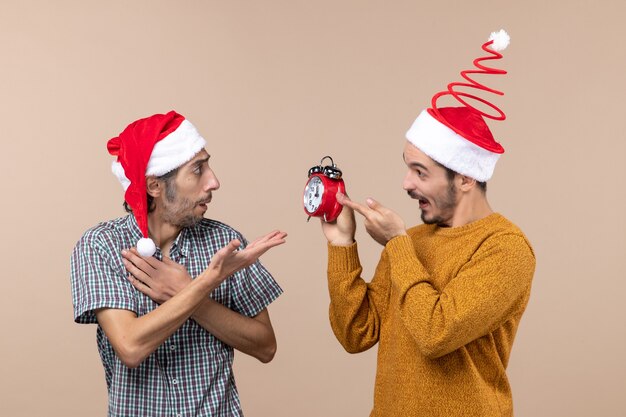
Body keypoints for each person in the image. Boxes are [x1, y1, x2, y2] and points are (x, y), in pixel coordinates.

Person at [319, 30, 535, 416]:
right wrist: (342, 246)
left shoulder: (506, 247)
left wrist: (397, 244)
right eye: (407, 169)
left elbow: (437, 332)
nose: (406, 184)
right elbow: (356, 334)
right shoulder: (412, 240)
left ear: (465, 178)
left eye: (420, 172)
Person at [70, 110, 286, 417]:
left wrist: (187, 290)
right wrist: (207, 282)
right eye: (197, 170)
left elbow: (266, 346)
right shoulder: (101, 246)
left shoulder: (225, 242)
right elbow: (130, 346)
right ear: (154, 186)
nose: (214, 181)